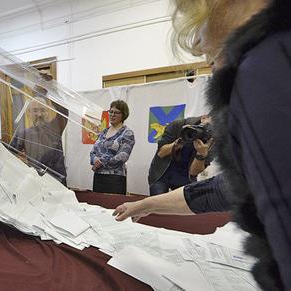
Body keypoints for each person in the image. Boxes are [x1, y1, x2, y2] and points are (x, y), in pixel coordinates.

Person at [114, 0, 291, 290]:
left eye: (199, 17)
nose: (196, 40)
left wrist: (200, 152)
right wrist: (145, 204)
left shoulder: (264, 68)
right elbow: (226, 189)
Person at [11, 76, 69, 185]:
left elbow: (64, 111)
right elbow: (8, 153)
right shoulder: (23, 134)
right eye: (35, 111)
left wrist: (50, 86)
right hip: (36, 182)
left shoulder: (56, 127)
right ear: (29, 114)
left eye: (43, 110)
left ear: (48, 112)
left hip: (58, 182)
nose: (39, 114)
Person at [148, 115, 213, 195]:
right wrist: (181, 141)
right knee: (156, 205)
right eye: (208, 125)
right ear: (203, 118)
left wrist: (201, 154)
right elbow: (161, 153)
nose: (208, 130)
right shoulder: (179, 125)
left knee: (185, 205)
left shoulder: (214, 143)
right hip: (161, 173)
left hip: (185, 177)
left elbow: (193, 173)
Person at [90, 100, 135, 195]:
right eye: (111, 111)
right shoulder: (103, 132)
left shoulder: (127, 133)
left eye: (117, 112)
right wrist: (95, 160)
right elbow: (93, 152)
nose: (112, 115)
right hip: (98, 177)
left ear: (124, 115)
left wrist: (101, 163)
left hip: (115, 179)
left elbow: (123, 156)